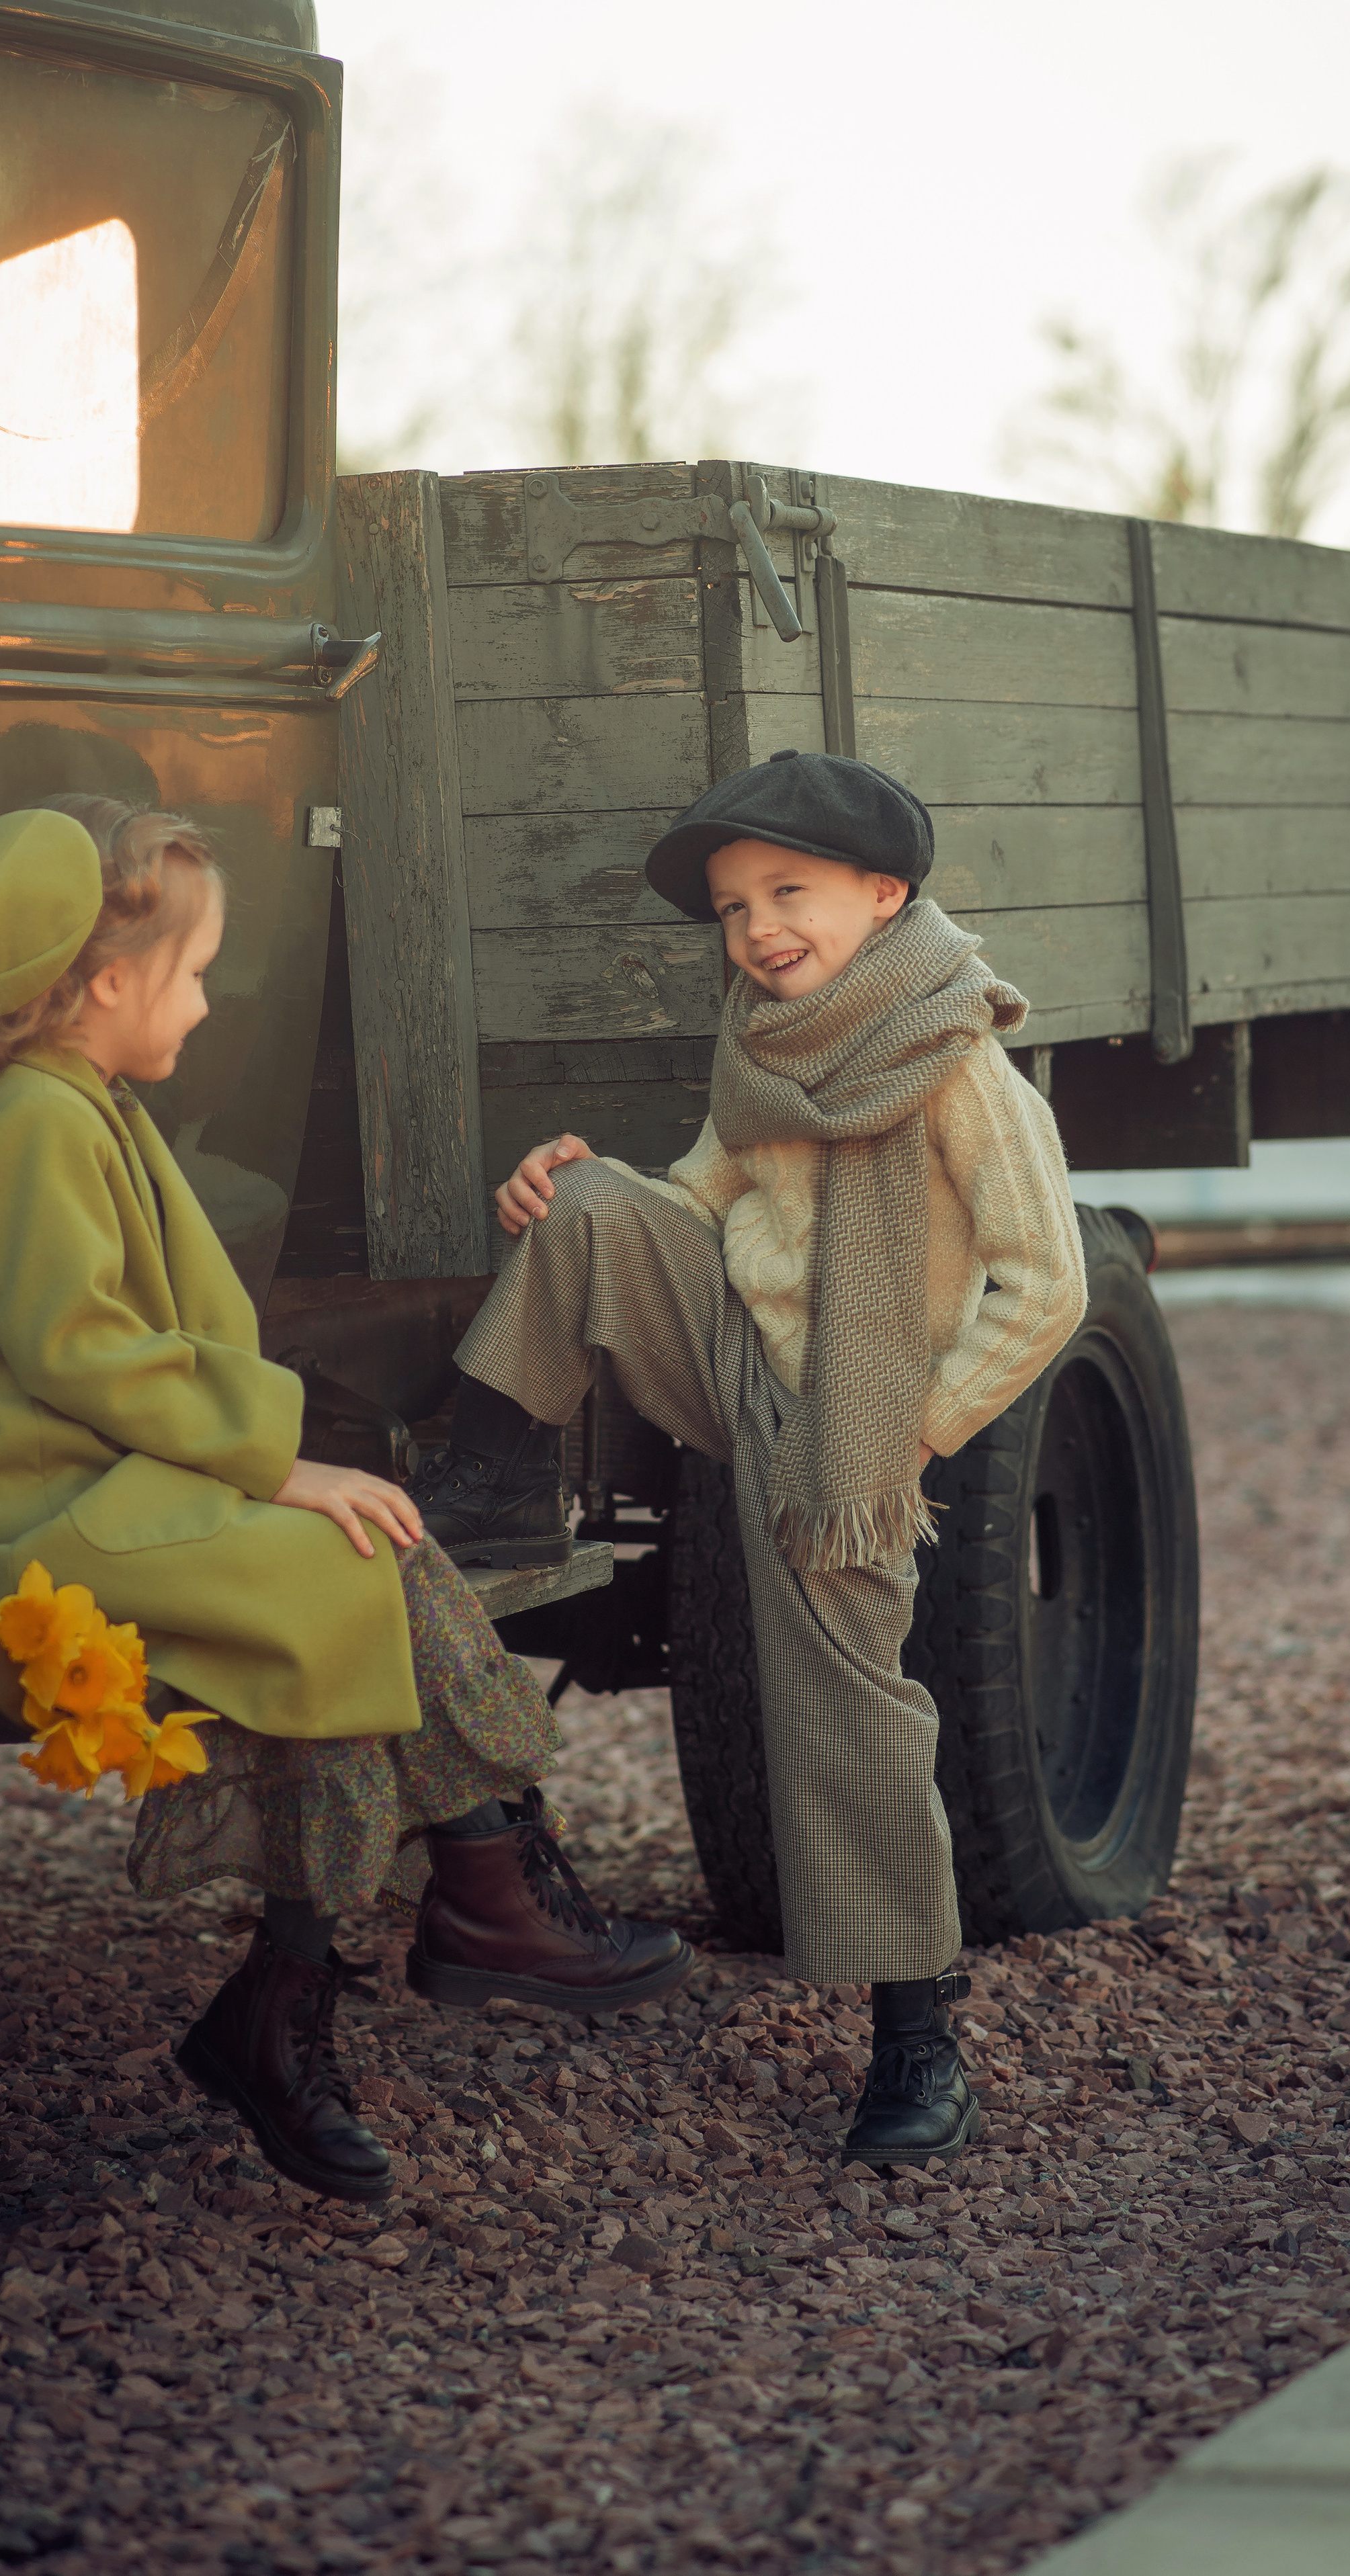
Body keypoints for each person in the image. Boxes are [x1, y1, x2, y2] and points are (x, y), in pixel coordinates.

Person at [0, 796, 690, 2206]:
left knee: (372, 1542)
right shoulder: (34, 1125)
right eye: (193, 973)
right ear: (104, 984)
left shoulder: (81, 1103)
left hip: (91, 1476)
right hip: (27, 1509)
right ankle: (457, 1903)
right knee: (335, 1561)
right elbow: (79, 1352)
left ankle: (417, 1919)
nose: (205, 1003)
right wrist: (276, 1465)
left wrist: (289, 1475)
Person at [413, 750, 1087, 2170]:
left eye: (787, 893)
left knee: (848, 1709)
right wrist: (568, 1194)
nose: (757, 929)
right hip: (737, 1351)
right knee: (587, 1201)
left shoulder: (959, 1059)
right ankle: (487, 1488)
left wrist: (913, 1430)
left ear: (882, 895)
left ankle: (917, 2041)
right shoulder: (767, 1042)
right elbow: (698, 1200)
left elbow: (1047, 1285)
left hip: (853, 1422)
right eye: (732, 908)